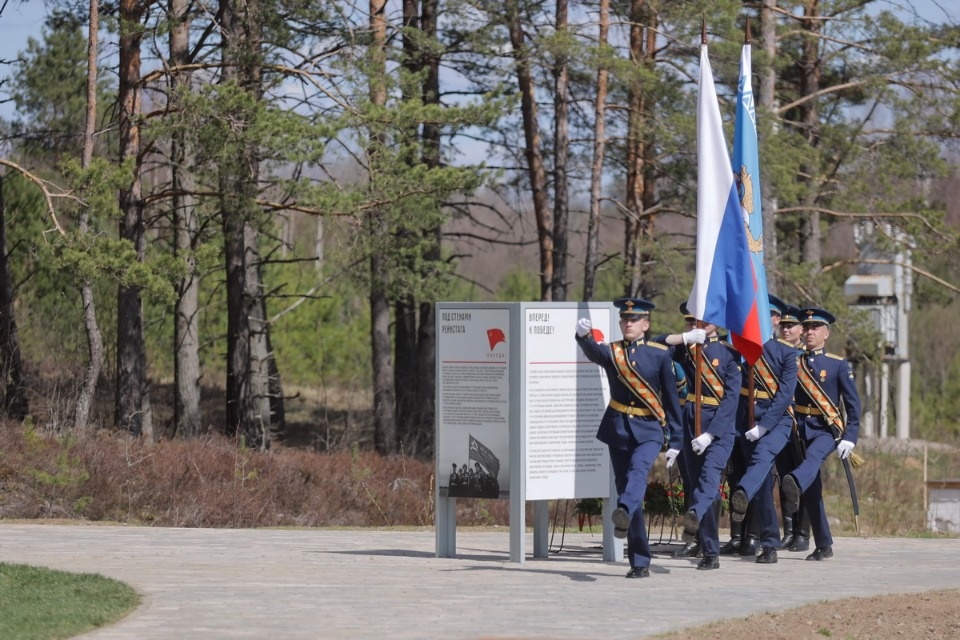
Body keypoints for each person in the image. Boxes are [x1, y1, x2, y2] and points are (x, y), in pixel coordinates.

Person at [575, 297, 684, 579]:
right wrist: (584, 336)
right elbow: (594, 354)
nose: (628, 323)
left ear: (646, 325)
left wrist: (676, 440)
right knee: (627, 488)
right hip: (618, 428)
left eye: (634, 320)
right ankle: (639, 560)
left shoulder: (659, 354)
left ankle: (622, 508)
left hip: (649, 429)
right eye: (624, 319)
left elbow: (671, 400)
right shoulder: (612, 351)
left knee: (637, 473)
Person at [780, 307, 862, 561]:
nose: (809, 332)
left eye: (815, 328)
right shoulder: (793, 361)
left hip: (826, 429)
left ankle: (792, 480)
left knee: (813, 459)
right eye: (806, 327)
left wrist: (850, 436)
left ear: (826, 333)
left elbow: (853, 404)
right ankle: (824, 544)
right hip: (799, 428)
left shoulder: (837, 364)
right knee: (812, 489)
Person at [728, 295, 799, 564]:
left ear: (776, 320)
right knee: (761, 484)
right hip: (745, 423)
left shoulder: (786, 353)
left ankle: (742, 494)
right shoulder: (742, 348)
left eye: (766, 315)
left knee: (758, 465)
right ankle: (768, 542)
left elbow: (783, 396)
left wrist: (764, 426)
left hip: (776, 423)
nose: (759, 319)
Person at [671, 314, 742, 570]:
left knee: (708, 482)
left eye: (708, 319)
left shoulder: (729, 355)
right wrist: (685, 337)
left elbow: (731, 399)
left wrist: (710, 434)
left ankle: (696, 517)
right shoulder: (688, 349)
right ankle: (709, 550)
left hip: (720, 432)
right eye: (696, 320)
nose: (702, 323)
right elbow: (657, 346)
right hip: (691, 424)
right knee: (700, 488)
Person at [773, 305, 812, 552]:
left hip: (803, 424)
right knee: (784, 476)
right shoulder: (776, 354)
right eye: (783, 325)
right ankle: (788, 530)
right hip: (780, 422)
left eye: (792, 325)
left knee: (803, 479)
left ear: (801, 329)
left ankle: (803, 533)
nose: (786, 329)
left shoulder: (806, 357)